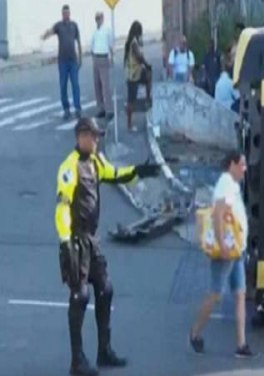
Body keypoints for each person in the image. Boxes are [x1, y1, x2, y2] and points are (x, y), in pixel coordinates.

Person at [56, 117, 160, 375]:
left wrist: (138, 171)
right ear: (81, 136)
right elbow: (63, 207)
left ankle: (104, 351)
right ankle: (77, 361)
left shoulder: (95, 161)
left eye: (98, 135)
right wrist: (66, 241)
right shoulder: (69, 167)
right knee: (80, 297)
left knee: (106, 289)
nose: (97, 139)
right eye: (94, 135)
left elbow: (114, 174)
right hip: (76, 240)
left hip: (92, 239)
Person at [189, 151, 256, 359]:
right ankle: (195, 333)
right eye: (242, 164)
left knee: (239, 294)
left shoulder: (231, 185)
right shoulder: (226, 183)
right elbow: (219, 213)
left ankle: (241, 344)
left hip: (236, 249)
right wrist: (222, 245)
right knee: (215, 294)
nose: (245, 168)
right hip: (227, 250)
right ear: (232, 165)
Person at [42, 4, 83, 120]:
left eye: (67, 13)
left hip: (73, 60)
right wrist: (45, 35)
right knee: (63, 85)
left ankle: (77, 108)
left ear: (70, 13)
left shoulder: (74, 25)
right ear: (62, 14)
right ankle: (66, 109)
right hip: (63, 61)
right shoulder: (59, 26)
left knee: (75, 85)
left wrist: (80, 57)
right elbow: (51, 31)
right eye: (64, 13)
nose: (66, 15)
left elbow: (78, 41)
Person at [123, 22, 152, 132]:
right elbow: (139, 57)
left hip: (138, 72)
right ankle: (129, 124)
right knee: (132, 101)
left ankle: (147, 99)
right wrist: (147, 64)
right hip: (133, 75)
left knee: (149, 76)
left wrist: (146, 67)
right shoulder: (133, 43)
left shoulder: (135, 41)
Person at [90, 12, 114, 119]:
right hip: (96, 57)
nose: (98, 20)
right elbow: (92, 45)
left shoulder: (107, 30)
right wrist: (93, 58)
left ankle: (109, 110)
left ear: (102, 19)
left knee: (105, 85)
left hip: (104, 57)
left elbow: (111, 44)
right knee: (97, 85)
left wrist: (111, 57)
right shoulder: (95, 32)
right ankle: (101, 109)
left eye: (99, 18)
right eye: (96, 18)